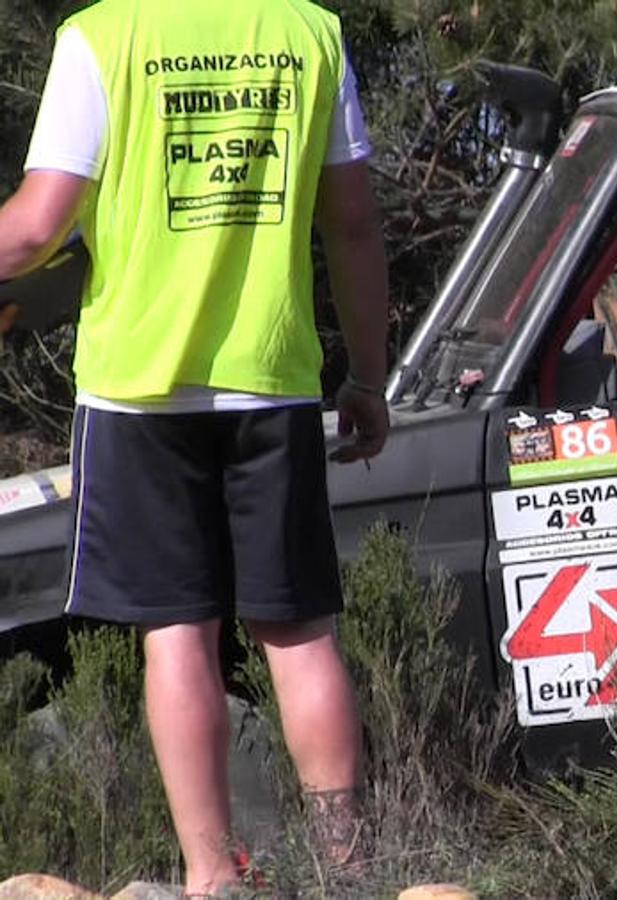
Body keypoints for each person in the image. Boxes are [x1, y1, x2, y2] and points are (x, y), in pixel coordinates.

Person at [0, 1, 390, 894]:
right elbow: (355, 223)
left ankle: (212, 875)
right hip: (273, 374)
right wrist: (366, 377)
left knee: (177, 634)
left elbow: (34, 226)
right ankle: (354, 869)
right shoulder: (309, 32)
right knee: (298, 634)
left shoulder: (102, 35)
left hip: (139, 387)